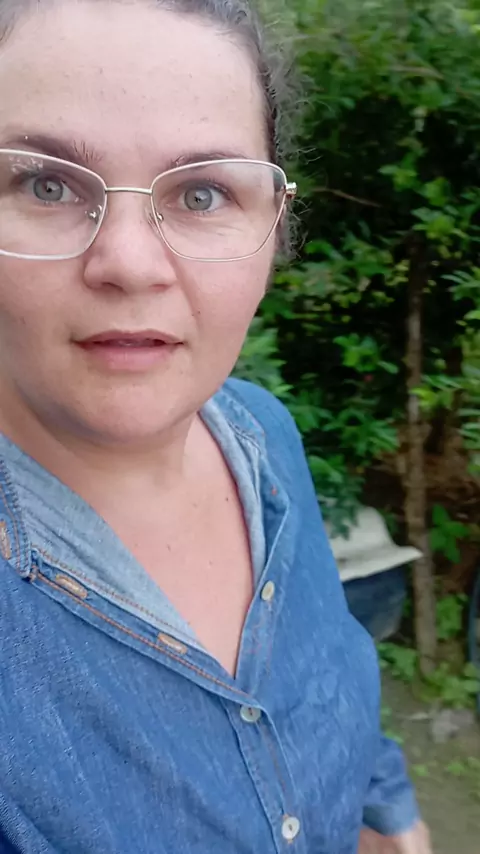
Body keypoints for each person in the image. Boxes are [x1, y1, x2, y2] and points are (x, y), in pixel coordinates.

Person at [0, 1, 432, 852]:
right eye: (47, 184)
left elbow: (332, 668)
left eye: (203, 193)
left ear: (274, 228)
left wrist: (391, 815)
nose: (130, 263)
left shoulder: (262, 433)